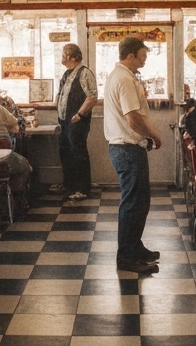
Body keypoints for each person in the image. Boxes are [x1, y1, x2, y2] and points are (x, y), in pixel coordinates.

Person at [104, 36, 165, 274]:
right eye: (142, 56)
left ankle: (135, 247)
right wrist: (152, 136)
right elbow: (132, 118)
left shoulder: (120, 76)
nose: (144, 61)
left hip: (125, 148)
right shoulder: (124, 79)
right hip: (127, 148)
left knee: (139, 202)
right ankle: (127, 256)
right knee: (133, 204)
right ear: (131, 55)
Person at [54, 44, 98, 202]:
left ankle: (82, 189)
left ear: (74, 57)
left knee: (78, 153)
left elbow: (92, 97)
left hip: (77, 121)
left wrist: (80, 114)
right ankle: (70, 186)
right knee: (65, 152)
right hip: (64, 121)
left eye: (65, 54)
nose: (62, 57)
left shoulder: (84, 73)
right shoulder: (66, 74)